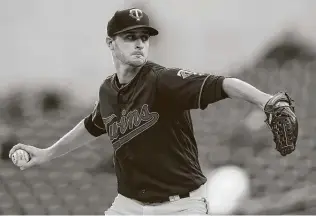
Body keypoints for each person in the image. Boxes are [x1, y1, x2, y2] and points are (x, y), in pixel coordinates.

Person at [9, 8, 295, 215]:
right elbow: (91, 126)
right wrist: (47, 152)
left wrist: (266, 100)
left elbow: (223, 84)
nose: (138, 43)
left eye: (143, 37)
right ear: (111, 43)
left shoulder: (164, 80)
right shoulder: (108, 91)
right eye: (129, 37)